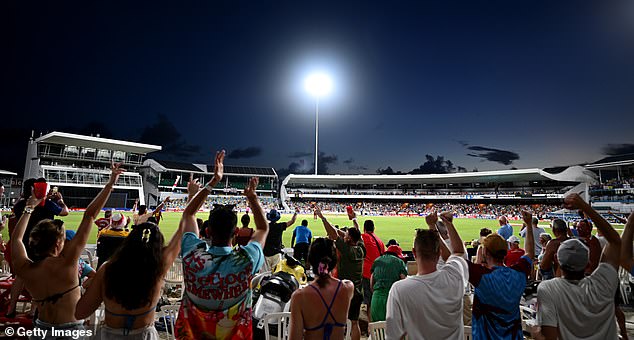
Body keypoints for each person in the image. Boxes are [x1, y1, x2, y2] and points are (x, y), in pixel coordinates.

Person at [10, 163, 124, 336]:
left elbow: (17, 239)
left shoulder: (25, 269)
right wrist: (110, 183)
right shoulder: (68, 264)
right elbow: (90, 215)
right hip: (70, 332)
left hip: (40, 331)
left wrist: (29, 207)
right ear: (57, 244)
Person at [174, 150, 269, 339]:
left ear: (207, 232)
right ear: (235, 233)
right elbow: (263, 228)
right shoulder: (246, 260)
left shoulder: (192, 257)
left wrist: (214, 181)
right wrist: (252, 197)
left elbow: (188, 215)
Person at [76, 210, 184, 339]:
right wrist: (195, 195)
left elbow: (81, 312)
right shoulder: (157, 269)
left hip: (109, 335)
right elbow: (183, 229)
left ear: (128, 241)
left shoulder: (107, 268)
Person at [534, 193, 622, 340]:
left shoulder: (548, 289)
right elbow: (615, 241)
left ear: (557, 261)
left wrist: (537, 335)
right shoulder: (603, 281)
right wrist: (584, 206)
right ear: (588, 262)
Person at [385, 211, 468, 339]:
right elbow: (458, 252)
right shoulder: (454, 277)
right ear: (439, 252)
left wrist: (432, 227)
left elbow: (394, 336)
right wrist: (447, 224)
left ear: (413, 252)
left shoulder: (399, 290)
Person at [468, 210, 535, 340]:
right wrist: (528, 225)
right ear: (506, 251)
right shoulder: (519, 273)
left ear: (485, 252)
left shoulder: (481, 277)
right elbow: (530, 253)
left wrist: (443, 226)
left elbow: (456, 255)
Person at [289, 237, 354, 340]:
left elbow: (295, 337)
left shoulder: (299, 297)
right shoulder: (348, 288)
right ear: (334, 262)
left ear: (310, 261)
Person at [315, 207, 365, 340]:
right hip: (358, 291)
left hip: (344, 291)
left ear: (349, 239)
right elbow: (356, 233)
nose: (345, 235)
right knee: (355, 323)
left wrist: (323, 218)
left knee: (338, 322)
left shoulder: (347, 250)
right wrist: (354, 219)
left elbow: (334, 235)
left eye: (346, 235)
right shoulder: (361, 248)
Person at [369, 244, 407, 322]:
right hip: (391, 298)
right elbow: (403, 281)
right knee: (392, 329)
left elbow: (371, 281)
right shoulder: (399, 262)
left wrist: (376, 292)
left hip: (376, 297)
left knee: (377, 328)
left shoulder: (377, 260)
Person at [360, 219, 385, 322]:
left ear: (364, 228)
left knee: (368, 300)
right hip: (378, 273)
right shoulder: (380, 241)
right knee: (375, 297)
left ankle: (371, 326)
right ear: (374, 228)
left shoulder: (364, 237)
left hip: (367, 273)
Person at [263, 207, 298, 271]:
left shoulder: (265, 227)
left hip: (266, 253)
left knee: (265, 274)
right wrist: (296, 213)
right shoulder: (280, 226)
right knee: (276, 273)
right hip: (277, 253)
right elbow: (292, 221)